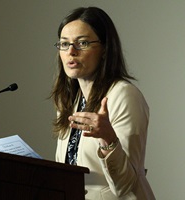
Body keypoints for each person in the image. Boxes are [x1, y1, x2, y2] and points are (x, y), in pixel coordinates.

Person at [52, 6, 155, 200]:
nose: (71, 52)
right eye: (64, 44)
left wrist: (108, 139)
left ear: (105, 49)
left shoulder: (124, 95)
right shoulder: (69, 102)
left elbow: (125, 185)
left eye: (82, 43)